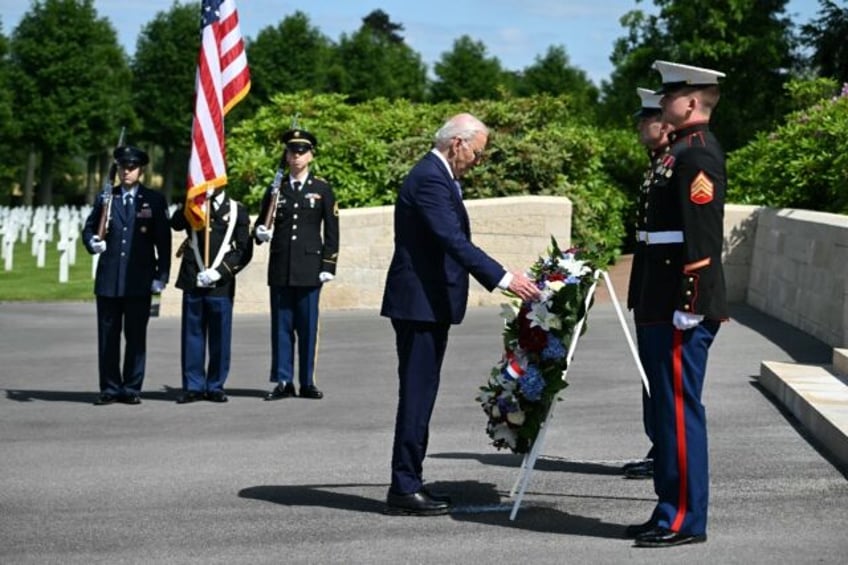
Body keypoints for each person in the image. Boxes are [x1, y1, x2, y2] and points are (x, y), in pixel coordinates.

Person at [380, 113, 541, 516]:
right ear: (458, 144)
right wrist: (505, 278)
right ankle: (404, 486)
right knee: (417, 395)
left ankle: (408, 479)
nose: (478, 161)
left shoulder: (439, 176)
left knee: (422, 393)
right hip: (420, 305)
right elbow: (452, 239)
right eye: (478, 153)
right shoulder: (431, 178)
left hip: (426, 304)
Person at [626, 61, 728, 548]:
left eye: (670, 96)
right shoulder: (677, 155)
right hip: (659, 303)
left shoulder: (698, 155)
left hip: (678, 307)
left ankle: (685, 518)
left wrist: (690, 302)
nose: (663, 105)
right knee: (666, 413)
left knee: (681, 414)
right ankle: (668, 508)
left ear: (690, 102)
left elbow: (702, 237)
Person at [254, 127, 339, 401]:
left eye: (302, 151)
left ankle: (307, 381)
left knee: (307, 327)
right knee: (281, 328)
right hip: (281, 268)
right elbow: (262, 222)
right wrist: (260, 232)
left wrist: (329, 264)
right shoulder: (275, 189)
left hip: (309, 268)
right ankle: (283, 381)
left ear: (311, 155)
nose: (296, 156)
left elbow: (332, 230)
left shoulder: (322, 188)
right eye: (292, 151)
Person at [82, 145, 171, 405]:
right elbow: (89, 229)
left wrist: (161, 275)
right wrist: (92, 242)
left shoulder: (153, 200)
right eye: (122, 167)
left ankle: (131, 387)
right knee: (108, 338)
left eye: (131, 167)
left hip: (139, 281)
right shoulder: (107, 197)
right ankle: (110, 388)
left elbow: (162, 242)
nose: (126, 172)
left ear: (140, 170)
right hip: (110, 280)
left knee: (135, 337)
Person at [623, 87, 674, 481]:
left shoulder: (673, 164)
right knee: (650, 375)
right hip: (648, 285)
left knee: (662, 376)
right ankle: (659, 445)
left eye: (647, 118)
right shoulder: (656, 163)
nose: (641, 125)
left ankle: (666, 449)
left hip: (664, 288)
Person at [170, 187, 253, 404]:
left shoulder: (237, 210)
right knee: (192, 335)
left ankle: (215, 385)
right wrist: (190, 200)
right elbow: (176, 223)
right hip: (193, 279)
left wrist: (220, 272)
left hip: (220, 284)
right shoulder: (193, 205)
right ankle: (193, 386)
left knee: (220, 337)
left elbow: (244, 249)